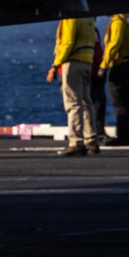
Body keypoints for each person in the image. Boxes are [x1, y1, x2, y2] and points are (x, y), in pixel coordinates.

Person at [47, 16, 100, 156]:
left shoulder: (70, 16)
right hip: (87, 62)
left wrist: (55, 65)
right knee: (86, 102)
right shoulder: (88, 17)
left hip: (73, 63)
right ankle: (91, 141)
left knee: (73, 103)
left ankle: (76, 142)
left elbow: (67, 42)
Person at [100, 13, 129, 146]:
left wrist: (104, 65)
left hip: (118, 66)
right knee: (127, 102)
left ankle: (124, 136)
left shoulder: (118, 22)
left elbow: (114, 44)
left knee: (120, 103)